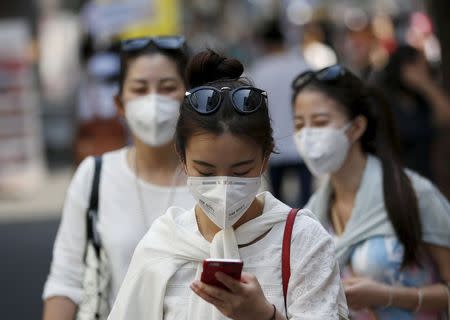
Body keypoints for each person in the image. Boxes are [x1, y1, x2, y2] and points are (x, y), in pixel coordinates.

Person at [107, 50, 348, 320]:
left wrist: (264, 316)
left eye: (241, 170)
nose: (223, 185)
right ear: (182, 159)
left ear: (266, 158)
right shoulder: (163, 245)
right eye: (206, 171)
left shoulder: (302, 240)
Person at [42, 36, 196, 319]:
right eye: (140, 88)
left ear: (189, 97)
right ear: (120, 103)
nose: (153, 100)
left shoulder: (217, 179)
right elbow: (65, 281)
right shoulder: (95, 175)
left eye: (167, 88)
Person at [292, 64, 450, 319]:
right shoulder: (313, 213)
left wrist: (388, 295)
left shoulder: (413, 194)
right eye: (299, 124)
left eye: (320, 122)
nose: (307, 135)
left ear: (356, 128)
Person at [248, 19, 311, 207]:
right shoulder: (301, 66)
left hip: (274, 146)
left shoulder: (259, 70)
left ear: (265, 44)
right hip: (302, 143)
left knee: (277, 205)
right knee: (306, 202)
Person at [380, 45, 450, 181]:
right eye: (420, 66)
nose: (425, 71)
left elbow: (446, 116)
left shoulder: (422, 101)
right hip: (400, 181)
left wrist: (427, 85)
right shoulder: (386, 102)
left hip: (427, 179)